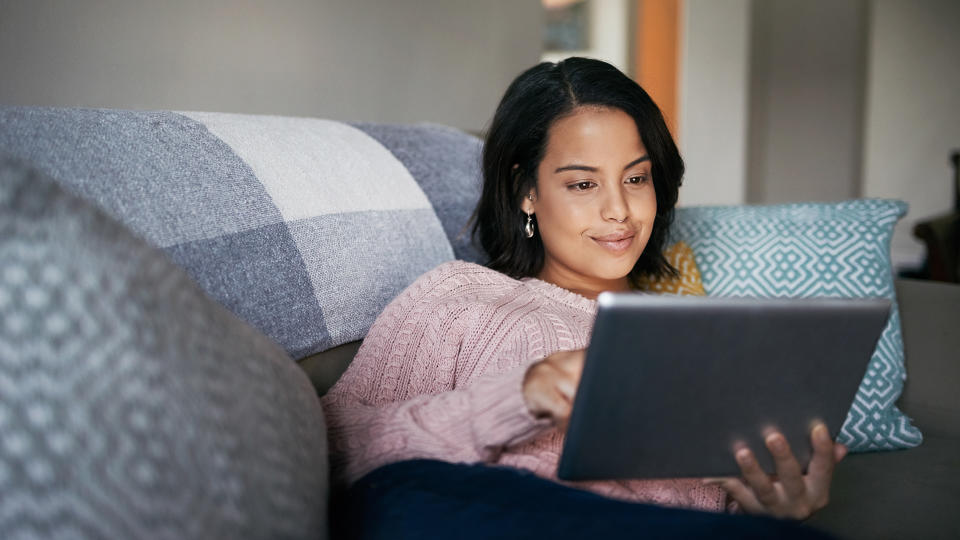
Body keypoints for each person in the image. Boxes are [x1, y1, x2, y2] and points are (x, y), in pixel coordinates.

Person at [321, 57, 845, 536]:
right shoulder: (460, 296)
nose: (619, 210)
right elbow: (331, 450)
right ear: (527, 190)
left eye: (636, 178)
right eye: (582, 185)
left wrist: (773, 508)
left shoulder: (702, 343)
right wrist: (522, 395)